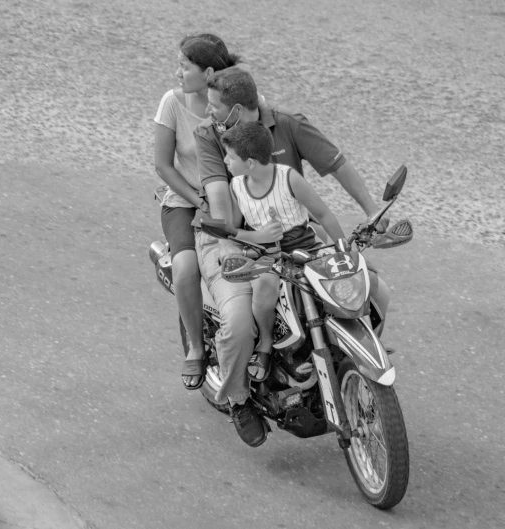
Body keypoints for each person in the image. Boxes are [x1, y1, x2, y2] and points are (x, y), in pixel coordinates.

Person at [192, 66, 389, 447]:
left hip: (301, 239)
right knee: (237, 324)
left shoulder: (288, 126)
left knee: (377, 291)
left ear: (235, 111)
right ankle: (239, 399)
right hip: (239, 243)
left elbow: (336, 168)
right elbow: (222, 207)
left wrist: (370, 214)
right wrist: (238, 241)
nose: (207, 113)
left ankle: (349, 356)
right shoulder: (211, 139)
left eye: (214, 106)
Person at [220, 121, 345, 380]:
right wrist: (257, 236)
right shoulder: (237, 186)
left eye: (230, 157)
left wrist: (343, 251)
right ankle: (266, 342)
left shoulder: (289, 178)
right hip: (267, 255)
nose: (226, 161)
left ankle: (356, 336)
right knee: (265, 285)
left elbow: (323, 215)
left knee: (348, 280)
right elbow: (232, 230)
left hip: (307, 247)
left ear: (250, 162)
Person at [153, 34, 240, 390]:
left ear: (207, 72)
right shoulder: (171, 103)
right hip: (183, 201)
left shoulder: (232, 103)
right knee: (186, 267)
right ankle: (195, 347)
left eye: (183, 66)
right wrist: (197, 197)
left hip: (233, 200)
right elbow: (163, 166)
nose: (177, 73)